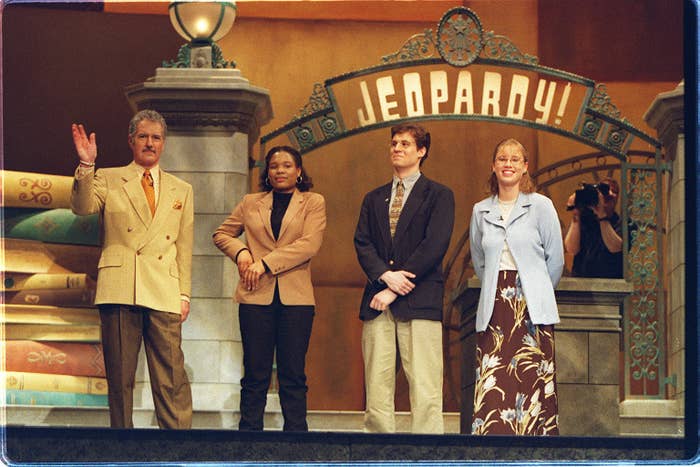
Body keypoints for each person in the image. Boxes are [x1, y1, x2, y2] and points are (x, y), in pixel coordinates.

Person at [70, 109, 194, 429]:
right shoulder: (109, 177)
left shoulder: (182, 189)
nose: (149, 143)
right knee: (120, 377)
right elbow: (82, 208)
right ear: (131, 141)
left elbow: (184, 246)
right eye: (143, 137)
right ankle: (122, 445)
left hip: (164, 290)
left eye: (155, 137)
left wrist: (184, 293)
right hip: (121, 283)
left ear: (164, 143)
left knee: (171, 376)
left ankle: (178, 444)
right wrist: (86, 165)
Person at [213, 146, 326, 432]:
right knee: (255, 373)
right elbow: (221, 234)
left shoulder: (312, 202)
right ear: (268, 172)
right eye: (274, 166)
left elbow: (309, 245)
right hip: (255, 296)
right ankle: (249, 438)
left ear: (299, 171)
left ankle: (297, 440)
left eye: (287, 165)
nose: (280, 170)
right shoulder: (251, 202)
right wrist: (241, 253)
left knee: (293, 374)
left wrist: (263, 263)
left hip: (296, 300)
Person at [353, 123, 455, 434]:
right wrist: (385, 277)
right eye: (394, 143)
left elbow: (434, 245)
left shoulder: (438, 194)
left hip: (420, 300)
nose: (397, 148)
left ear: (422, 151)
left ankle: (426, 454)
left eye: (405, 144)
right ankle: (378, 452)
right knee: (377, 384)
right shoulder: (374, 198)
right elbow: (363, 242)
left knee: (425, 384)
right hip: (377, 300)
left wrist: (395, 289)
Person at [469, 138, 564, 436]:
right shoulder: (480, 211)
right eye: (502, 158)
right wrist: (499, 288)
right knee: (495, 381)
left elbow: (556, 260)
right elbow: (479, 261)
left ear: (525, 167)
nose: (507, 164)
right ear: (493, 165)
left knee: (530, 379)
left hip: (532, 308)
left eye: (514, 159)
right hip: (495, 305)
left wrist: (536, 290)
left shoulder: (541, 206)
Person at [564, 177, 623, 278]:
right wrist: (576, 213)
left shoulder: (622, 222)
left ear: (617, 197)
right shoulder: (584, 219)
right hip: (581, 283)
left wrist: (601, 214)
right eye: (605, 190)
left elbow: (615, 247)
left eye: (614, 191)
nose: (610, 194)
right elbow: (571, 249)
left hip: (611, 285)